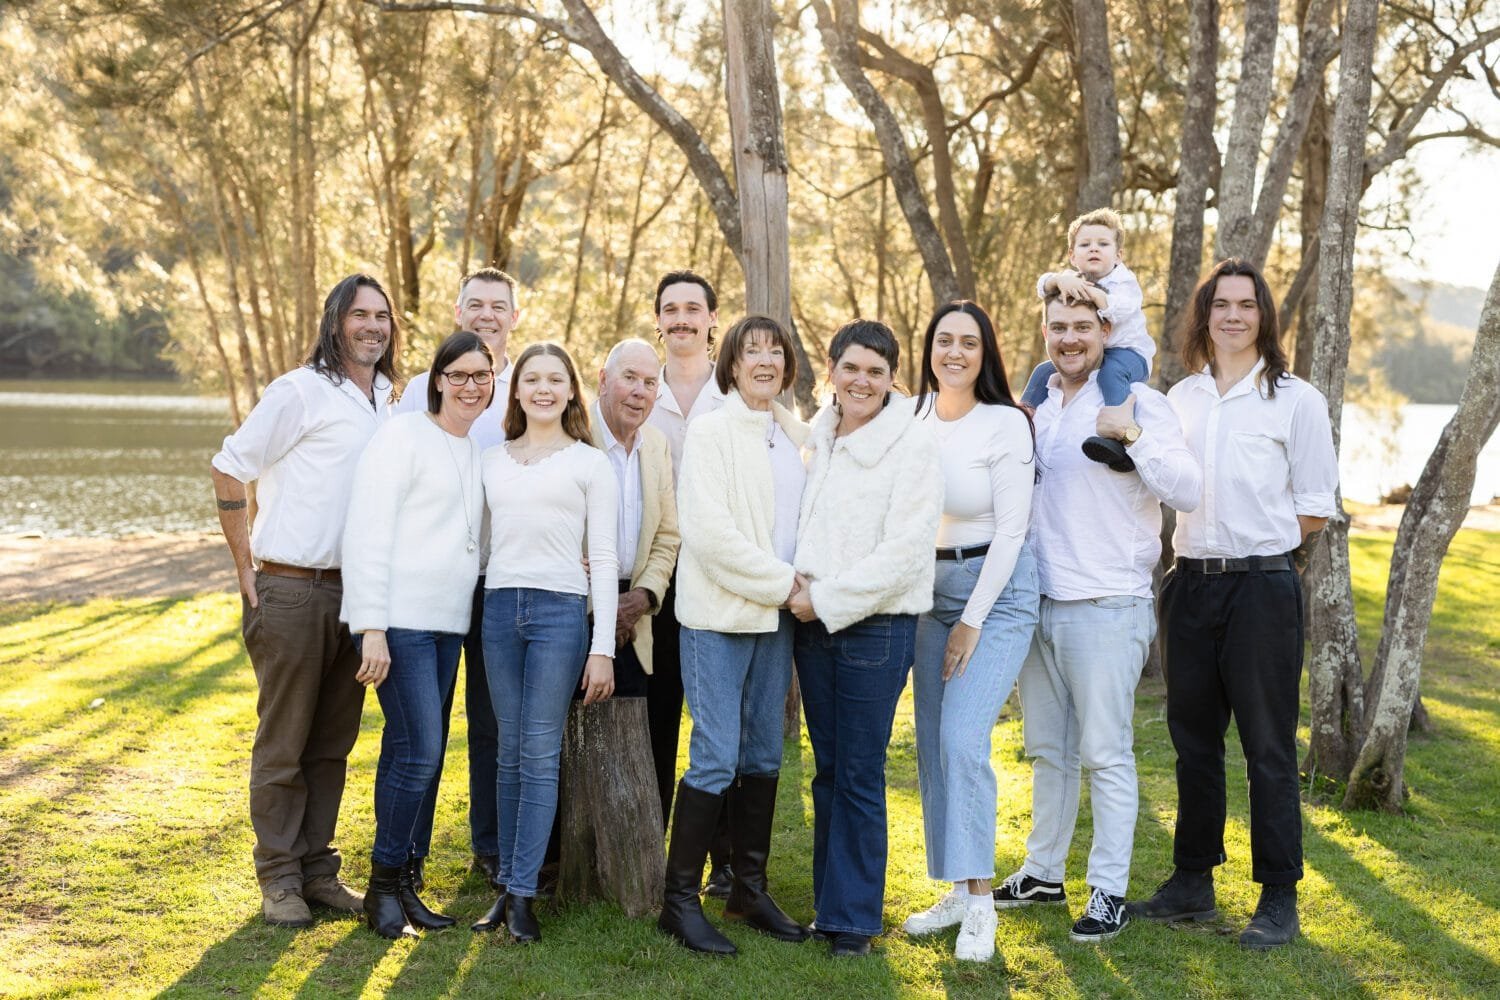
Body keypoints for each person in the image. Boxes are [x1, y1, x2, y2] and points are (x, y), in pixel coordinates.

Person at [1131, 258, 1337, 951]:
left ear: (1265, 317)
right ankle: (1193, 882)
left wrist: (1258, 550)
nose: (1234, 317)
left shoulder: (1297, 401)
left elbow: (1312, 510)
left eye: (1248, 306)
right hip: (1188, 583)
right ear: (1204, 315)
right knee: (1193, 742)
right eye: (1222, 305)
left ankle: (1278, 897)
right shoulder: (1177, 400)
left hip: (1261, 589)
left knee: (1268, 748)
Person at [995, 290, 1201, 944]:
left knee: (1104, 754)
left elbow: (1188, 490)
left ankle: (1107, 889)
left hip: (1108, 607)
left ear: (1105, 330)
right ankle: (1042, 871)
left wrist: (1132, 436)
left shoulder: (1140, 401)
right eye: (1059, 327)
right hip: (1040, 604)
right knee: (1048, 753)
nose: (1070, 337)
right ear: (1046, 332)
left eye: (1083, 326)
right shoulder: (1039, 407)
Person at [209, 273, 398, 927]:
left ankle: (318, 871)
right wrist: (243, 565)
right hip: (291, 587)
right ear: (335, 321)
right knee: (284, 743)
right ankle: (279, 879)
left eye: (383, 315)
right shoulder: (300, 391)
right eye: (360, 314)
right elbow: (230, 464)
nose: (373, 325)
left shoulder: (389, 401)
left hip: (359, 595)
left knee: (331, 745)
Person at [789, 319, 944, 958]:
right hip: (812, 626)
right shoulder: (821, 437)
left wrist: (822, 600)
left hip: (873, 629)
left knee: (857, 772)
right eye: (851, 367)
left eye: (875, 372)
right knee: (828, 771)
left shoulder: (912, 444)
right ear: (831, 370)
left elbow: (905, 555)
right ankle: (832, 906)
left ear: (891, 380)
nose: (861, 381)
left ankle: (853, 921)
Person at [658, 315, 810, 956]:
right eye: (753, 351)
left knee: (764, 757)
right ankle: (679, 902)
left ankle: (748, 887)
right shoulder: (713, 429)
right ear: (732, 362)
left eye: (776, 352)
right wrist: (787, 585)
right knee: (716, 756)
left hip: (774, 620)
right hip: (720, 616)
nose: (766, 361)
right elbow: (710, 536)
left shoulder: (788, 432)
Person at [341, 331, 493, 938]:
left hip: (447, 626)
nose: (470, 386)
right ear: (437, 381)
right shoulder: (401, 436)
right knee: (422, 751)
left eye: (481, 376)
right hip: (398, 624)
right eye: (457, 375)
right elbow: (367, 534)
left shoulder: (477, 451)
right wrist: (370, 627)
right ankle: (382, 889)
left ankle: (402, 885)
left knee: (409, 753)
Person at [900, 301, 1038, 963]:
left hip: (1000, 592)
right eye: (943, 341)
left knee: (962, 736)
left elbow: (1012, 531)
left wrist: (972, 623)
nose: (954, 352)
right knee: (933, 745)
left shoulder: (1006, 424)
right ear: (929, 348)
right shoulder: (912, 417)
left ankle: (982, 906)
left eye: (968, 343)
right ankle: (956, 889)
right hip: (930, 591)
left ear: (985, 355)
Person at [470, 342, 618, 944]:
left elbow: (604, 558)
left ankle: (525, 893)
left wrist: (601, 643)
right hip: (499, 610)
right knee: (506, 751)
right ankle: (507, 887)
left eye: (556, 379)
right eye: (532, 379)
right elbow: (475, 547)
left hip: (560, 614)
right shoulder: (491, 461)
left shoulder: (589, 463)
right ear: (516, 391)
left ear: (571, 391)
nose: (543, 389)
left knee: (536, 752)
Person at [391, 268, 522, 890]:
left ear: (514, 318)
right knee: (426, 723)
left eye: (499, 307)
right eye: (476, 304)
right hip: (434, 580)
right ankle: (407, 853)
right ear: (457, 310)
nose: (487, 315)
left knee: (493, 720)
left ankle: (491, 848)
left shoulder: (524, 387)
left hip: (500, 579)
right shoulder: (422, 387)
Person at [642, 269, 734, 896]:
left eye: (692, 308)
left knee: (717, 721)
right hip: (656, 580)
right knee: (656, 717)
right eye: (670, 309)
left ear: (711, 319)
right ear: (659, 321)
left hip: (719, 577)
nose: (681, 319)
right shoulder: (640, 390)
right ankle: (651, 854)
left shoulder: (733, 392)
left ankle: (722, 862)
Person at [1019, 208, 1155, 472]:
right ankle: (1023, 417)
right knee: (1042, 370)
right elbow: (1042, 285)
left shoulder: (1124, 281)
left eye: (1103, 244)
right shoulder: (1072, 279)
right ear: (1072, 256)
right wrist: (1059, 279)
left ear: (1118, 255)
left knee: (1110, 375)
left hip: (1128, 354)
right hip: (1098, 353)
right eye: (1085, 245)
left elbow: (1122, 308)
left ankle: (1116, 440)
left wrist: (1094, 296)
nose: (1094, 249)